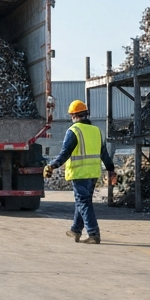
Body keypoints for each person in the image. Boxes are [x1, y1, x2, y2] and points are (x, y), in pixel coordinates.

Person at [44, 100, 115, 244]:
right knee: (83, 201)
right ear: (86, 114)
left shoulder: (74, 131)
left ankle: (93, 233)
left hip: (80, 173)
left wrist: (52, 166)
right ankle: (76, 230)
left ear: (73, 115)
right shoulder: (96, 131)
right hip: (94, 173)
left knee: (83, 202)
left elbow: (65, 153)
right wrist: (111, 169)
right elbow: (104, 154)